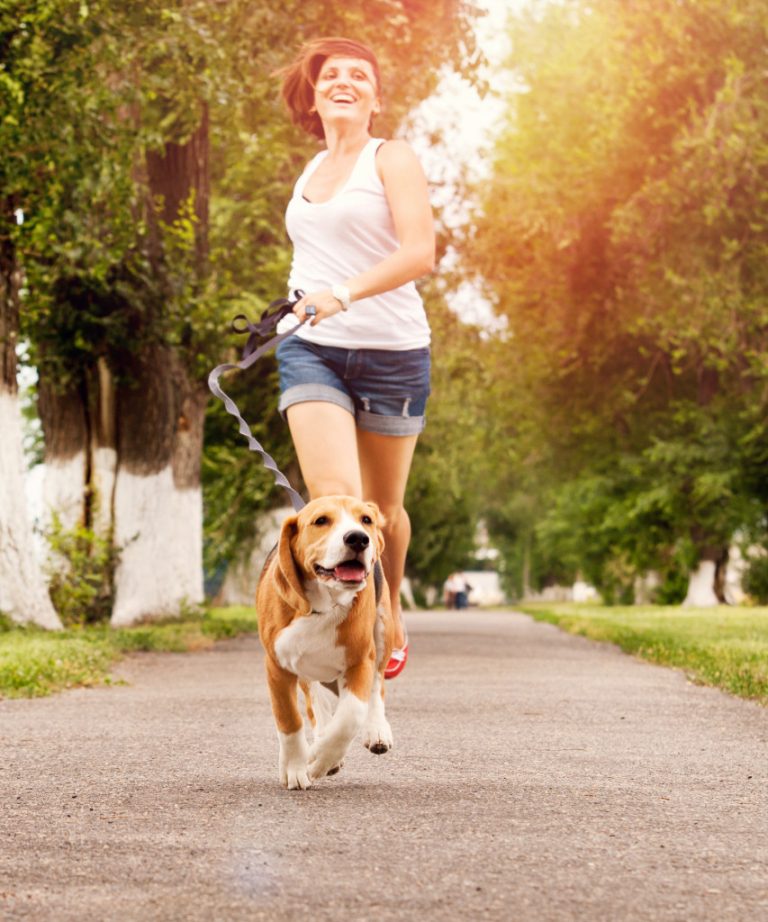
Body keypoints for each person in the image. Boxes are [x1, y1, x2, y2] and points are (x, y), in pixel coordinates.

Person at [273, 37, 435, 679]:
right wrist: (294, 306)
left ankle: (389, 606)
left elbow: (419, 252)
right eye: (331, 75)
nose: (343, 81)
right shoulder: (309, 170)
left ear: (375, 96)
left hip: (394, 353)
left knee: (383, 513)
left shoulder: (390, 157)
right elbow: (310, 257)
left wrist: (341, 293)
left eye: (358, 75)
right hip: (313, 350)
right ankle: (351, 636)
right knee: (338, 499)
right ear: (314, 98)